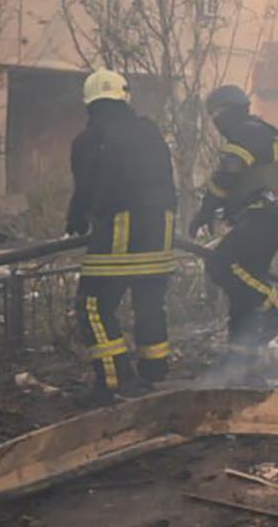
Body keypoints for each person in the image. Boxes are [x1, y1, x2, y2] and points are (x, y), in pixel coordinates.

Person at [68, 69, 177, 401]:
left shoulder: (90, 139)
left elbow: (87, 184)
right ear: (124, 97)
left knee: (92, 304)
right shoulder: (149, 131)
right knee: (149, 302)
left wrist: (76, 216)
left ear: (90, 104)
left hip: (122, 227)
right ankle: (155, 374)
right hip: (163, 227)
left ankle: (114, 382)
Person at [190, 85, 278, 362]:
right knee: (245, 287)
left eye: (215, 116)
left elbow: (229, 172)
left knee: (223, 264)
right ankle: (242, 357)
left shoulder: (248, 132)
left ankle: (277, 308)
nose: (215, 124)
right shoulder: (259, 132)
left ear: (225, 112)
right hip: (268, 215)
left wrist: (206, 209)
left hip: (269, 216)